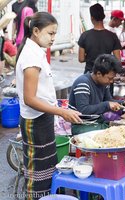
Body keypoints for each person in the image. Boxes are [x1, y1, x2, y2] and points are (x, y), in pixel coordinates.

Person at [15, 12, 82, 199]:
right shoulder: (31, 57)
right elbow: (30, 98)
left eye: (55, 34)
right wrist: (61, 111)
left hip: (42, 118)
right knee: (36, 175)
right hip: (35, 121)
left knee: (45, 169)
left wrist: (58, 108)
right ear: (36, 31)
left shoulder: (35, 50)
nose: (54, 38)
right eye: (51, 34)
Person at [69, 54, 125, 135]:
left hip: (97, 121)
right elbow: (83, 110)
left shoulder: (103, 83)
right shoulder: (83, 83)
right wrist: (107, 105)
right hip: (82, 125)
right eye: (110, 78)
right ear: (98, 74)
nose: (111, 81)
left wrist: (124, 103)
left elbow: (109, 101)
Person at [78, 3, 121, 74]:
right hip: (106, 74)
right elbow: (118, 59)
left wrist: (90, 57)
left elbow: (81, 59)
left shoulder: (84, 35)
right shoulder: (113, 36)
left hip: (89, 75)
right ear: (103, 17)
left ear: (92, 18)